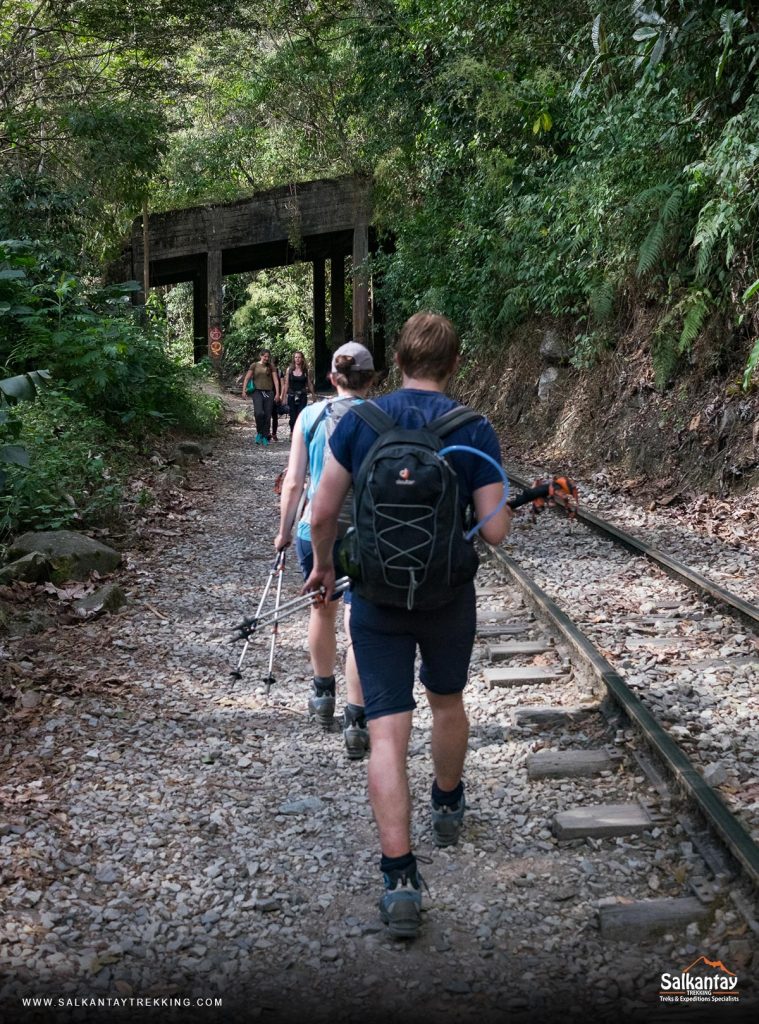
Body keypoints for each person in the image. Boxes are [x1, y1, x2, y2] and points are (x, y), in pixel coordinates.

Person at [305, 313, 511, 939]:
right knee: (447, 701)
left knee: (388, 734)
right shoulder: (473, 428)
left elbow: (323, 510)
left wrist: (321, 566)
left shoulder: (361, 423)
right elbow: (495, 530)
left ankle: (398, 877)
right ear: (453, 365)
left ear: (396, 362)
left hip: (376, 598)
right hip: (448, 598)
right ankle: (447, 803)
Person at [275, 341, 375, 760]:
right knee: (360, 621)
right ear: (371, 379)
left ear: (332, 377)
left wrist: (282, 532)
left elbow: (295, 482)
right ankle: (356, 718)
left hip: (312, 527)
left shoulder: (309, 416)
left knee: (322, 608)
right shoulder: (379, 418)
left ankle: (322, 696)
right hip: (364, 532)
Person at [242, 349, 279, 446]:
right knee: (259, 413)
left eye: (268, 357)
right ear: (261, 356)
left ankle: (265, 436)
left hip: (269, 392)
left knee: (267, 415)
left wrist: (277, 393)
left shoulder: (271, 367)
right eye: (265, 356)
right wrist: (244, 390)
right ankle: (259, 432)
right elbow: (247, 378)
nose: (266, 358)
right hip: (257, 392)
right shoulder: (254, 365)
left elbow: (275, 380)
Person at [280, 350, 315, 432]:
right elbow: (286, 384)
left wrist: (313, 395)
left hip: (302, 396)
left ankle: (299, 434)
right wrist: (284, 397)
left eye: (299, 357)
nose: (297, 359)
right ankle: (292, 432)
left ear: (302, 359)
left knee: (300, 415)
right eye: (296, 357)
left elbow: (309, 383)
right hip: (292, 396)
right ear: (294, 359)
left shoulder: (306, 370)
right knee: (292, 417)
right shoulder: (289, 370)